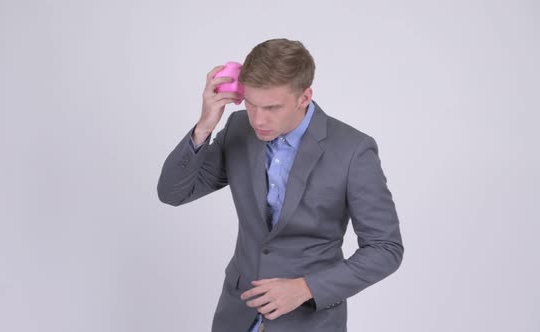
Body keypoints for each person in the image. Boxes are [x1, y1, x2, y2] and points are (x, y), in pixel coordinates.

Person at [157, 38, 403, 332]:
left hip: (310, 319)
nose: (259, 119)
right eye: (251, 103)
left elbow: (385, 248)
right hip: (237, 315)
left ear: (304, 97)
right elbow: (173, 193)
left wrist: (306, 287)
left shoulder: (353, 150)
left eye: (272, 107)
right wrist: (205, 126)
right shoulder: (238, 128)